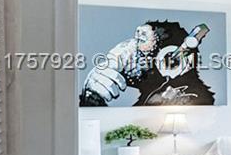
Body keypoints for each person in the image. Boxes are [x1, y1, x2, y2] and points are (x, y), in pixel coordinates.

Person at [79, 20, 216, 107]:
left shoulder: (184, 99)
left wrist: (93, 100)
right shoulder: (148, 100)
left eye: (141, 40)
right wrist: (90, 98)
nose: (128, 49)